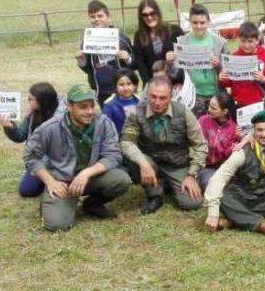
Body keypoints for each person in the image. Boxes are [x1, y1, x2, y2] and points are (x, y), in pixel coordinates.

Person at [23, 84, 131, 231]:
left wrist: (86, 173)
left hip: (90, 178)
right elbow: (31, 156)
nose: (89, 111)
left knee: (121, 179)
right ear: (69, 106)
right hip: (62, 182)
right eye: (83, 107)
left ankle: (92, 204)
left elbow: (113, 155)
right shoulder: (51, 127)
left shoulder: (104, 123)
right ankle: (53, 202)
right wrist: (51, 182)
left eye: (92, 106)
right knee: (56, 225)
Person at [121, 77, 208, 214]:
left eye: (163, 98)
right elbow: (126, 142)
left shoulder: (184, 112)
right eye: (153, 97)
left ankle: (168, 183)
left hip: (177, 164)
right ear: (147, 95)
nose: (157, 102)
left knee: (192, 203)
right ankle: (155, 195)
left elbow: (200, 145)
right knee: (133, 160)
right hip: (150, 162)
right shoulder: (136, 112)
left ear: (171, 97)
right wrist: (143, 163)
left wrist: (191, 174)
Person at [203, 109, 265, 235]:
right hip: (242, 196)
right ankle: (259, 224)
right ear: (253, 131)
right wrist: (213, 213)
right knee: (222, 195)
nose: (264, 134)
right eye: (259, 130)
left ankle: (231, 221)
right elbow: (219, 177)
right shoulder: (241, 152)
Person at [0, 82, 60, 197]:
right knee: (27, 191)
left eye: (31, 99)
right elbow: (20, 136)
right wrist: (9, 127)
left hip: (58, 163)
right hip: (38, 161)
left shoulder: (60, 119)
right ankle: (44, 180)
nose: (28, 102)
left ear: (42, 101)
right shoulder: (33, 115)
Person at [75, 0, 134, 107]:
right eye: (93, 17)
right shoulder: (87, 40)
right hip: (100, 90)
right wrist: (81, 61)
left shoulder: (121, 37)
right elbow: (88, 68)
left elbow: (135, 60)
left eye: (100, 16)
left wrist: (127, 58)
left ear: (108, 17)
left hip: (122, 89)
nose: (97, 19)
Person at [179, 3, 229, 115]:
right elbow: (179, 70)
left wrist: (218, 65)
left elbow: (229, 68)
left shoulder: (218, 42)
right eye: (195, 23)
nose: (199, 26)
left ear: (209, 22)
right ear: (190, 22)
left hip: (216, 94)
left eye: (202, 23)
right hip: (194, 96)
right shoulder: (183, 42)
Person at [218, 22, 265, 108]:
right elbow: (228, 82)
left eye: (250, 41)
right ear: (238, 39)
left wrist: (264, 79)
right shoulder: (234, 57)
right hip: (239, 105)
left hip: (261, 104)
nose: (246, 45)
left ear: (257, 40)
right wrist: (222, 79)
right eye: (243, 41)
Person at [132, 0, 184, 85]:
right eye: (145, 15)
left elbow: (185, 56)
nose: (149, 17)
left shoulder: (175, 30)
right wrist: (149, 83)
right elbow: (140, 63)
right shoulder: (139, 36)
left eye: (152, 13)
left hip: (176, 82)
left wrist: (174, 58)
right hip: (153, 84)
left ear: (158, 12)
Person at [197, 92, 239, 190]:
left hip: (218, 168)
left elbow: (227, 155)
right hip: (201, 165)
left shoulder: (233, 128)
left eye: (213, 108)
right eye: (209, 106)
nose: (208, 109)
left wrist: (232, 148)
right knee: (210, 184)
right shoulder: (203, 120)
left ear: (225, 111)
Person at [101, 69, 140, 135]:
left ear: (135, 86)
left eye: (129, 84)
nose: (125, 88)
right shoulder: (109, 105)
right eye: (121, 84)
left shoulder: (139, 101)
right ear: (115, 86)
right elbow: (106, 130)